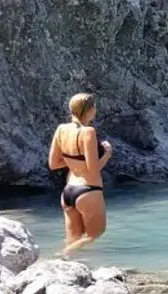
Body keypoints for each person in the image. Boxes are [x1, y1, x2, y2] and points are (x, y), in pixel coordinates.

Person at [48, 93, 112, 256]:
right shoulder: (88, 132)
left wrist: (74, 163)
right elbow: (93, 169)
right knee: (94, 234)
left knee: (73, 237)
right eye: (94, 107)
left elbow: (53, 164)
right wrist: (107, 154)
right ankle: (61, 255)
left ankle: (68, 263)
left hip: (69, 191)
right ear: (90, 110)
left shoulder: (61, 129)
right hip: (88, 190)